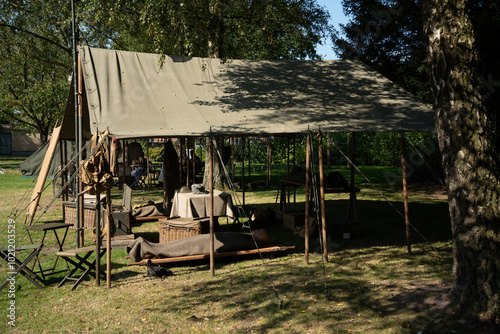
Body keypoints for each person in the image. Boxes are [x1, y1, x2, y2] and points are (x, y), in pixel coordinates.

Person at [127, 227, 269, 262]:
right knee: (182, 242)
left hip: (206, 244)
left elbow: (231, 243)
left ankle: (145, 246)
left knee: (182, 246)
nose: (256, 230)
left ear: (262, 239)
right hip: (208, 239)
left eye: (260, 232)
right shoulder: (244, 237)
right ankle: (145, 245)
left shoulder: (247, 241)